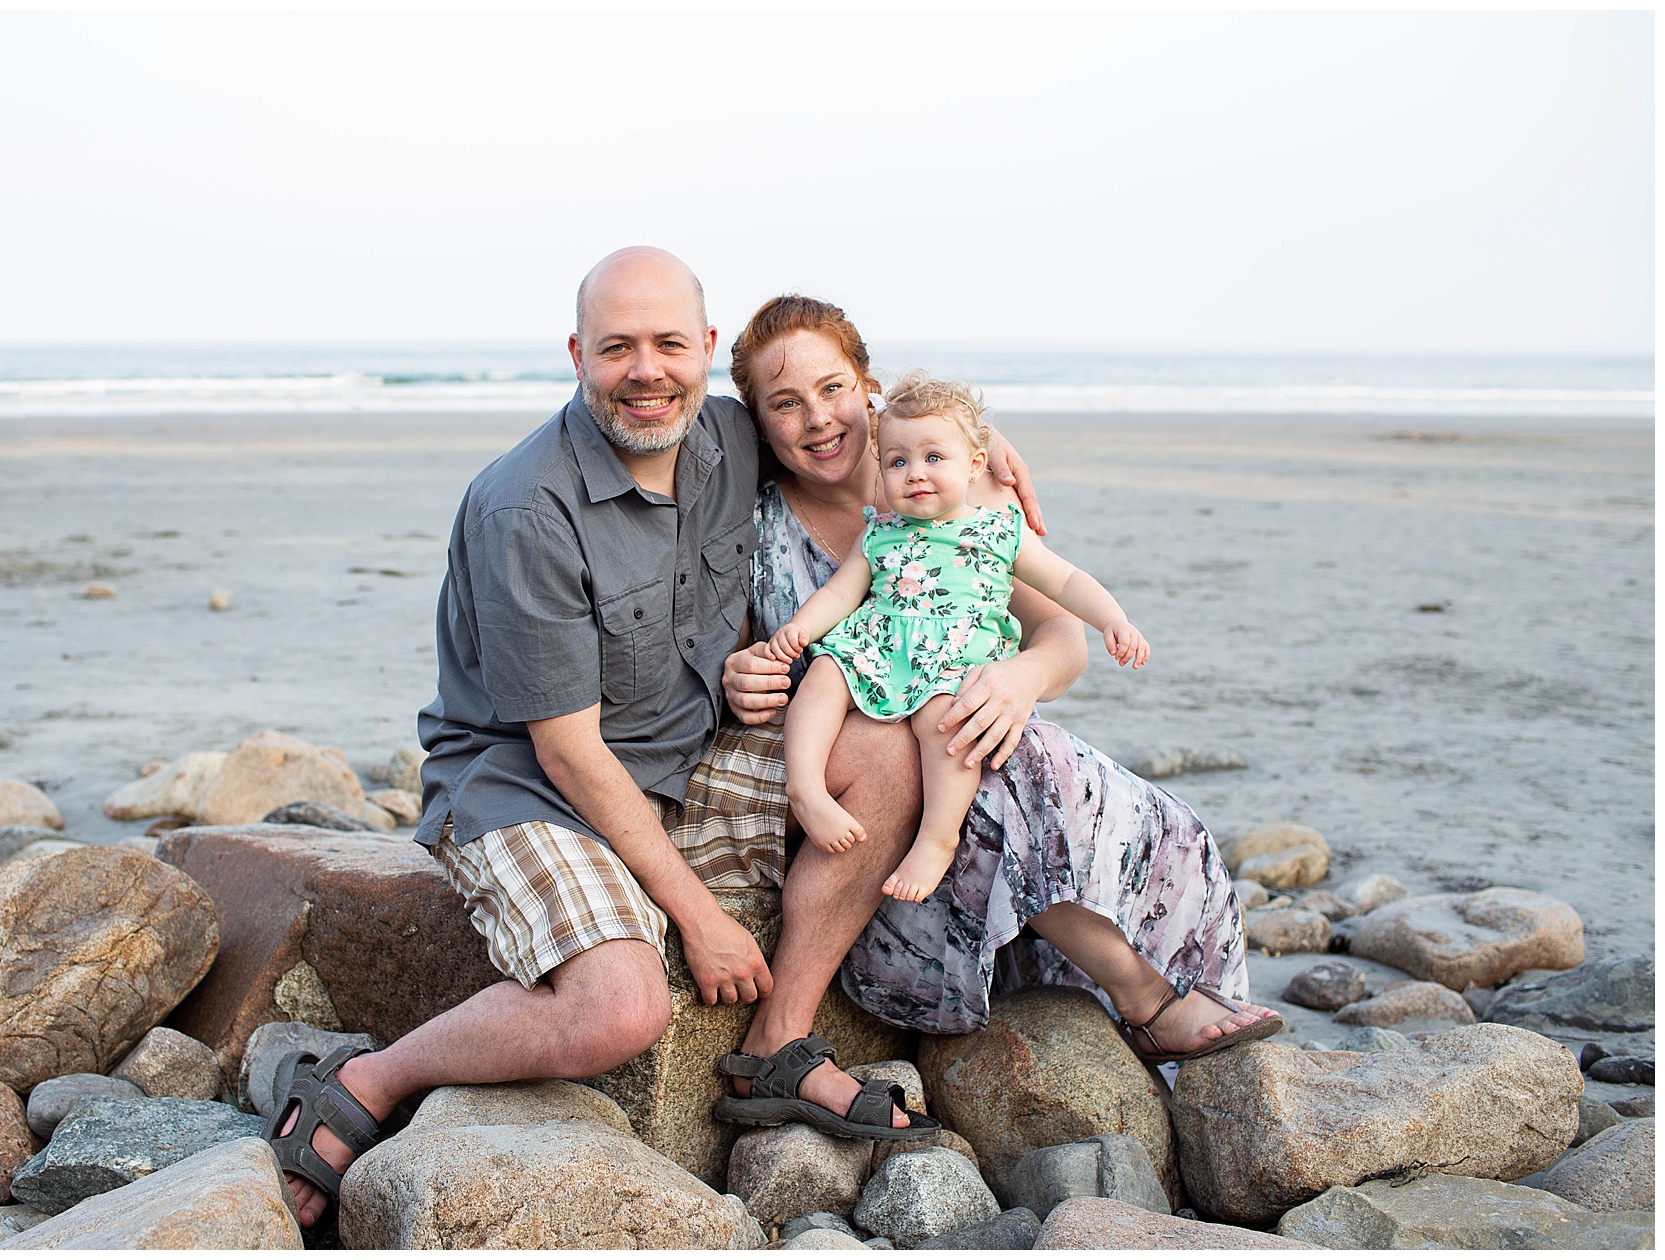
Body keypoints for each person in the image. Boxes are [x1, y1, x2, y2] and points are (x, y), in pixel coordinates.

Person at [263, 250, 942, 1229]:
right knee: (621, 1011)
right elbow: (567, 753)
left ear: (707, 351)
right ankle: (372, 1075)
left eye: (670, 344)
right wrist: (697, 920)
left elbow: (851, 427)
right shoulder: (524, 507)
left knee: (881, 745)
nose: (646, 370)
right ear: (578, 354)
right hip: (531, 790)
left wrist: (988, 455)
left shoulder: (727, 436)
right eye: (617, 347)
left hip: (686, 767)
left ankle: (776, 1047)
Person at [722, 293, 1282, 1065]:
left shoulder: (966, 497)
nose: (818, 419)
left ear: (869, 390)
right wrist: (745, 675)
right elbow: (747, 657)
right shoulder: (753, 526)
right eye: (785, 404)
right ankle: (1146, 999)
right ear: (757, 422)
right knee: (985, 768)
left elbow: (1063, 634)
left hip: (964, 729)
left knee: (995, 747)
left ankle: (1148, 988)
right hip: (868, 799)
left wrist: (1020, 678)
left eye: (833, 390)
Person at [771, 370, 1149, 906]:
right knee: (825, 672)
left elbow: (1064, 580)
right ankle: (805, 786)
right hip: (881, 646)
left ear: (975, 465)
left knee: (947, 723)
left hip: (954, 658)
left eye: (933, 458)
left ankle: (936, 838)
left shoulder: (998, 528)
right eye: (898, 462)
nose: (915, 473)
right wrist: (800, 629)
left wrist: (1113, 619)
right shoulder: (878, 531)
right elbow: (838, 596)